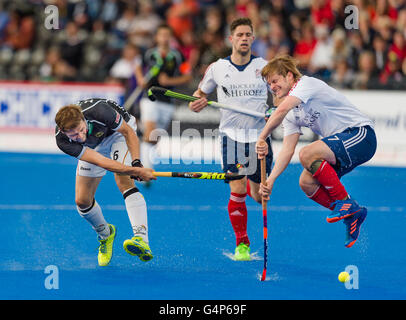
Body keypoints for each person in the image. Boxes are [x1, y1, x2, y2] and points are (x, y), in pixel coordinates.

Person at [255, 55, 377, 248]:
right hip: (342, 145)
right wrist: (270, 181)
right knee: (306, 182)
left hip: (361, 136)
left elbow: (280, 110)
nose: (272, 87)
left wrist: (262, 136)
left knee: (307, 154)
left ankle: (346, 203)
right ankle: (353, 214)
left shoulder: (305, 84)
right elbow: (287, 149)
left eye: (275, 81)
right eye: (269, 84)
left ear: (289, 76)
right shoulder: (291, 113)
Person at [189, 18, 274, 261]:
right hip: (232, 138)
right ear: (231, 39)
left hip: (260, 138)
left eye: (248, 34)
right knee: (236, 189)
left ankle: (251, 182)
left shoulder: (264, 66)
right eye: (240, 35)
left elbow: (279, 93)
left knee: (260, 197)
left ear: (253, 38)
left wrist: (275, 109)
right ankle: (242, 243)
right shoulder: (217, 68)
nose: (244, 38)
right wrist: (197, 102)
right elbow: (200, 93)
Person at [54, 98, 157, 266]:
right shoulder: (62, 141)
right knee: (82, 201)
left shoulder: (99, 111)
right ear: (63, 131)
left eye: (81, 130)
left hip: (118, 134)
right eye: (73, 135)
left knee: (123, 181)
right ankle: (106, 234)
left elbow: (128, 132)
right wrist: (135, 171)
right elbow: (99, 160)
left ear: (83, 119)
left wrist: (137, 163)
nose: (80, 136)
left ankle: (142, 239)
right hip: (93, 148)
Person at [135, 24, 192, 171]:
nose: (164, 38)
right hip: (150, 97)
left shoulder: (178, 56)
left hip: (167, 100)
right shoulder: (149, 54)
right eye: (161, 35)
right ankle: (144, 169)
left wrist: (170, 81)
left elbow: (187, 76)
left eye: (167, 35)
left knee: (154, 137)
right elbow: (137, 67)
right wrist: (141, 78)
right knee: (150, 131)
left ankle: (142, 148)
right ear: (157, 37)